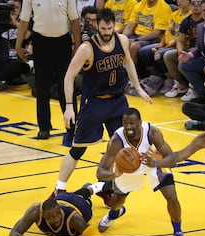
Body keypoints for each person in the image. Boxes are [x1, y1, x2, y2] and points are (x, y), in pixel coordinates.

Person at [49, 9, 152, 201]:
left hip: (118, 101)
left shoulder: (122, 40)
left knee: (125, 149)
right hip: (94, 102)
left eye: (109, 28)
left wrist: (138, 87)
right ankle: (59, 189)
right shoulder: (87, 48)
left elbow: (128, 62)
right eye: (103, 28)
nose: (106, 32)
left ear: (114, 26)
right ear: (97, 26)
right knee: (79, 148)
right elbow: (69, 76)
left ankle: (104, 187)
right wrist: (70, 106)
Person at [96, 108, 189, 236]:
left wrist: (156, 163)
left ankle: (178, 234)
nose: (128, 127)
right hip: (127, 168)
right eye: (125, 123)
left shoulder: (152, 132)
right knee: (117, 201)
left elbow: (172, 159)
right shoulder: (117, 139)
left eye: (132, 123)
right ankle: (113, 214)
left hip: (152, 163)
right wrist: (115, 173)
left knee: (172, 197)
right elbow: (100, 172)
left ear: (140, 123)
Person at [16, 0, 81, 141]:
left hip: (62, 42)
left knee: (66, 85)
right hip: (40, 42)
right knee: (42, 86)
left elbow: (74, 19)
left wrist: (77, 44)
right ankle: (44, 127)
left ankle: (72, 127)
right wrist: (18, 43)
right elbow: (24, 20)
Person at [8, 183, 107, 236]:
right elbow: (14, 234)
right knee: (73, 194)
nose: (56, 219)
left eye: (58, 214)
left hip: (80, 204)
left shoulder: (73, 219)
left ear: (60, 210)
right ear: (42, 215)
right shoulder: (36, 211)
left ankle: (98, 186)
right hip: (61, 198)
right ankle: (88, 188)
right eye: (51, 217)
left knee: (84, 195)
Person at [138, 0, 191, 81]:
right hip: (167, 44)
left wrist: (164, 48)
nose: (180, 1)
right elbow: (167, 32)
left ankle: (173, 80)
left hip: (179, 46)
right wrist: (161, 45)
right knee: (144, 51)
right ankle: (156, 78)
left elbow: (181, 39)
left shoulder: (190, 17)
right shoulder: (174, 14)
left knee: (159, 54)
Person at [163, 0, 204, 97]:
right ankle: (180, 84)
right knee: (168, 56)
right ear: (190, 5)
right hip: (188, 49)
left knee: (184, 63)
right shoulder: (186, 20)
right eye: (193, 4)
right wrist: (180, 51)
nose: (196, 6)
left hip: (200, 51)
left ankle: (193, 88)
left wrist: (193, 51)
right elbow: (180, 40)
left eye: (199, 4)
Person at [122, 0, 172, 67]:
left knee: (134, 46)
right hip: (136, 35)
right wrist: (122, 38)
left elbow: (156, 33)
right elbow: (130, 27)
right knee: (121, 42)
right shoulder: (139, 5)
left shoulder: (163, 8)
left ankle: (132, 75)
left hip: (153, 39)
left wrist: (136, 40)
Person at [0, 0, 32, 92]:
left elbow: (27, 35)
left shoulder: (26, 23)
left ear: (21, 10)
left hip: (16, 64)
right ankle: (0, 80)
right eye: (10, 7)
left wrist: (15, 23)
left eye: (16, 7)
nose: (13, 10)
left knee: (18, 63)